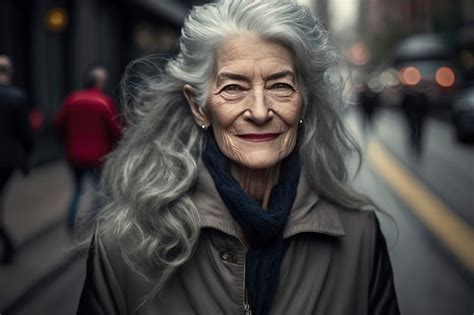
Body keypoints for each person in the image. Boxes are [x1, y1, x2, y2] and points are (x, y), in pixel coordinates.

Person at [78, 1, 400, 314]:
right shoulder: (123, 245)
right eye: (233, 88)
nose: (259, 111)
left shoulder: (361, 238)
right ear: (198, 106)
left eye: (280, 86)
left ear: (304, 102)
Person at [55, 66, 121, 228]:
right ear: (99, 83)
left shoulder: (72, 99)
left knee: (77, 191)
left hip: (74, 155)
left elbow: (58, 125)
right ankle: (94, 223)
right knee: (98, 189)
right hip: (98, 155)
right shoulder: (104, 101)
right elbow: (115, 129)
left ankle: (71, 221)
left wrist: (66, 142)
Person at [0, 55, 34, 264]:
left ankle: (9, 245)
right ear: (9, 72)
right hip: (8, 160)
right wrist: (26, 158)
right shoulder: (17, 96)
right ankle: (9, 245)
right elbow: (26, 134)